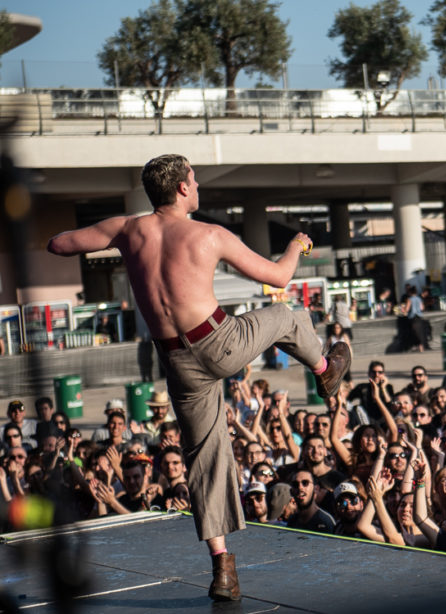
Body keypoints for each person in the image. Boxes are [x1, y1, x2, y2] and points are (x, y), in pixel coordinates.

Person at [46, 154, 351, 602]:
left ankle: (223, 567)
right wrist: (298, 245)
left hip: (177, 362)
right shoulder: (209, 234)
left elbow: (59, 245)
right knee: (286, 315)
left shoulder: (128, 230)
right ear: (183, 188)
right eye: (195, 179)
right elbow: (279, 277)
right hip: (221, 341)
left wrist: (95, 235)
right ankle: (327, 370)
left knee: (204, 458)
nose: (198, 185)